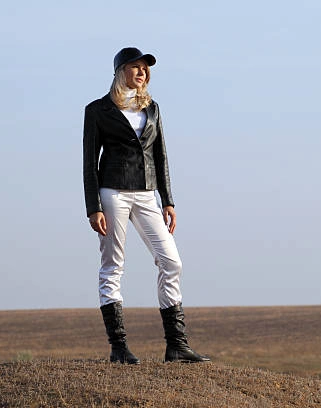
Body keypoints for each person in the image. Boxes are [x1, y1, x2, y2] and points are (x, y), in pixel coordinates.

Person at [83, 47, 209, 364]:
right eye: (136, 67)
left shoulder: (152, 109)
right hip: (112, 192)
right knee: (113, 266)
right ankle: (119, 347)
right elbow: (88, 163)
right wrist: (93, 206)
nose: (142, 72)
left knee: (171, 262)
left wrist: (168, 200)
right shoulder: (98, 110)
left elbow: (161, 156)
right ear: (120, 71)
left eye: (145, 69)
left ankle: (176, 345)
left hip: (148, 194)